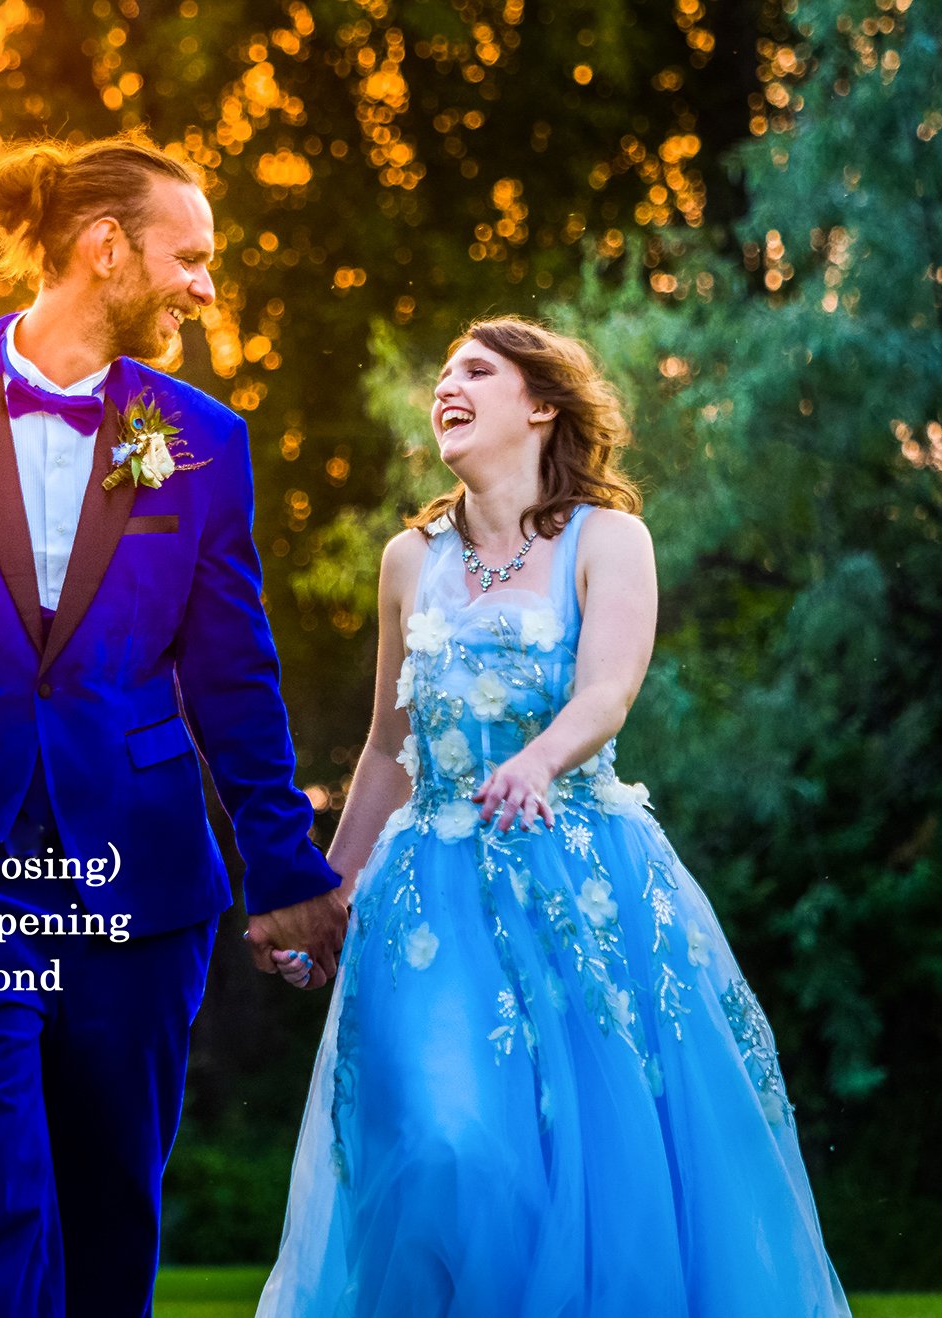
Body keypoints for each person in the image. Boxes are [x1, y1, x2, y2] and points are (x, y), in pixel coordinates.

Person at [0, 131, 348, 1316]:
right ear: (105, 248)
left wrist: (282, 863)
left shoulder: (202, 439)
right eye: (189, 259)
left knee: (108, 1200)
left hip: (141, 867)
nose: (204, 288)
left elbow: (232, 672)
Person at [259, 317, 851, 1316]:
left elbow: (607, 692)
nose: (447, 386)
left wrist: (537, 760)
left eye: (476, 370)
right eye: (442, 375)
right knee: (442, 1145)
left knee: (590, 1166)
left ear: (540, 404)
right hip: (429, 901)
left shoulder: (608, 538)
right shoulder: (408, 558)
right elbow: (387, 746)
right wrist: (326, 893)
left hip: (581, 880)